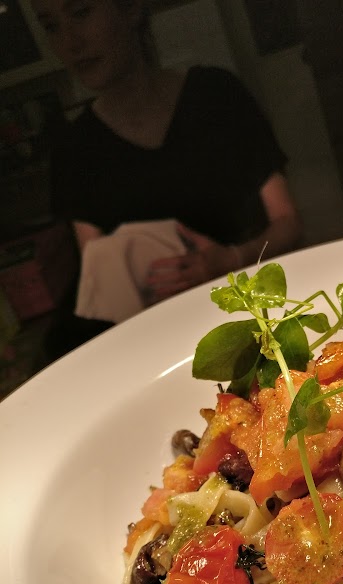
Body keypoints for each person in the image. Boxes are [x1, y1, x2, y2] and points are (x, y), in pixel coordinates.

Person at [32, 0, 301, 352]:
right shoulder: (74, 150)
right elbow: (104, 282)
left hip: (254, 321)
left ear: (131, 9)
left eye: (81, 13)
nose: (70, 42)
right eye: (51, 26)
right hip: (161, 345)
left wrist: (232, 259)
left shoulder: (216, 95)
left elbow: (287, 222)